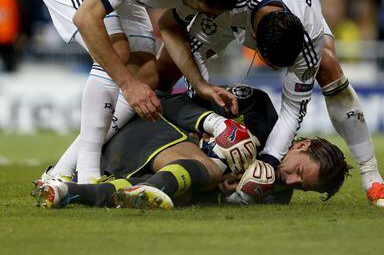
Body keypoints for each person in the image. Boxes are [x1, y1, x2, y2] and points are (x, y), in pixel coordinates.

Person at [157, 0, 384, 207]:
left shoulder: (309, 35)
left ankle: (372, 178)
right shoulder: (228, 2)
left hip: (296, 2)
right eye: (274, 65)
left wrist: (269, 162)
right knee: (169, 66)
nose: (276, 71)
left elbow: (293, 108)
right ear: (257, 47)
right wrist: (205, 115)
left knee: (327, 63)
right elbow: (191, 52)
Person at [35, 0, 239, 184]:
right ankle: (87, 176)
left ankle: (60, 171)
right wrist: (128, 86)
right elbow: (86, 18)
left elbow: (172, 30)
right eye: (205, 11)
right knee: (116, 53)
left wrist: (199, 84)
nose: (208, 19)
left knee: (146, 75)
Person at [32, 85, 351, 209]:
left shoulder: (275, 194)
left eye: (302, 186)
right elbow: (166, 103)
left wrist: (229, 196)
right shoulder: (257, 110)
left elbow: (213, 203)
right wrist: (211, 124)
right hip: (140, 134)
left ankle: (69, 192)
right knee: (209, 170)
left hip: (127, 166)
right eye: (298, 171)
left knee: (182, 195)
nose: (291, 182)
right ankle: (140, 189)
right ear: (302, 144)